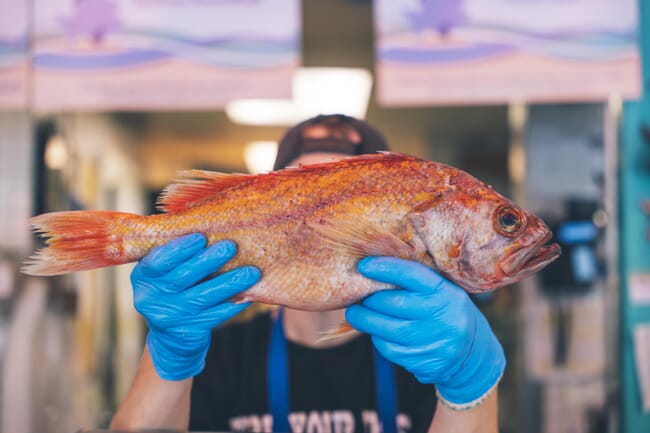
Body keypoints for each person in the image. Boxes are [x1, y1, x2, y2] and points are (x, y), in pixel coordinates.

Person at [110, 114, 506, 433]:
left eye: (344, 200)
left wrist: (470, 385)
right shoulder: (220, 355)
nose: (322, 218)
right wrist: (168, 356)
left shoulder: (424, 355)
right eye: (303, 197)